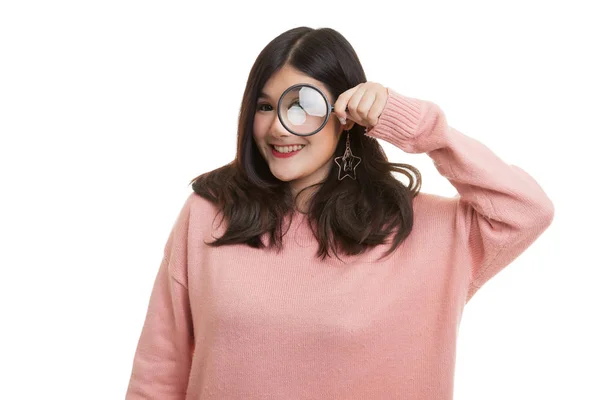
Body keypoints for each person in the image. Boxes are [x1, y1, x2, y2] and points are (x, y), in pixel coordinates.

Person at [125, 26, 554, 399]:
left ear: (346, 116)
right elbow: (158, 376)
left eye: (301, 105)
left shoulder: (426, 230)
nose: (278, 126)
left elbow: (527, 210)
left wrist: (418, 126)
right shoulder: (209, 214)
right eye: (263, 106)